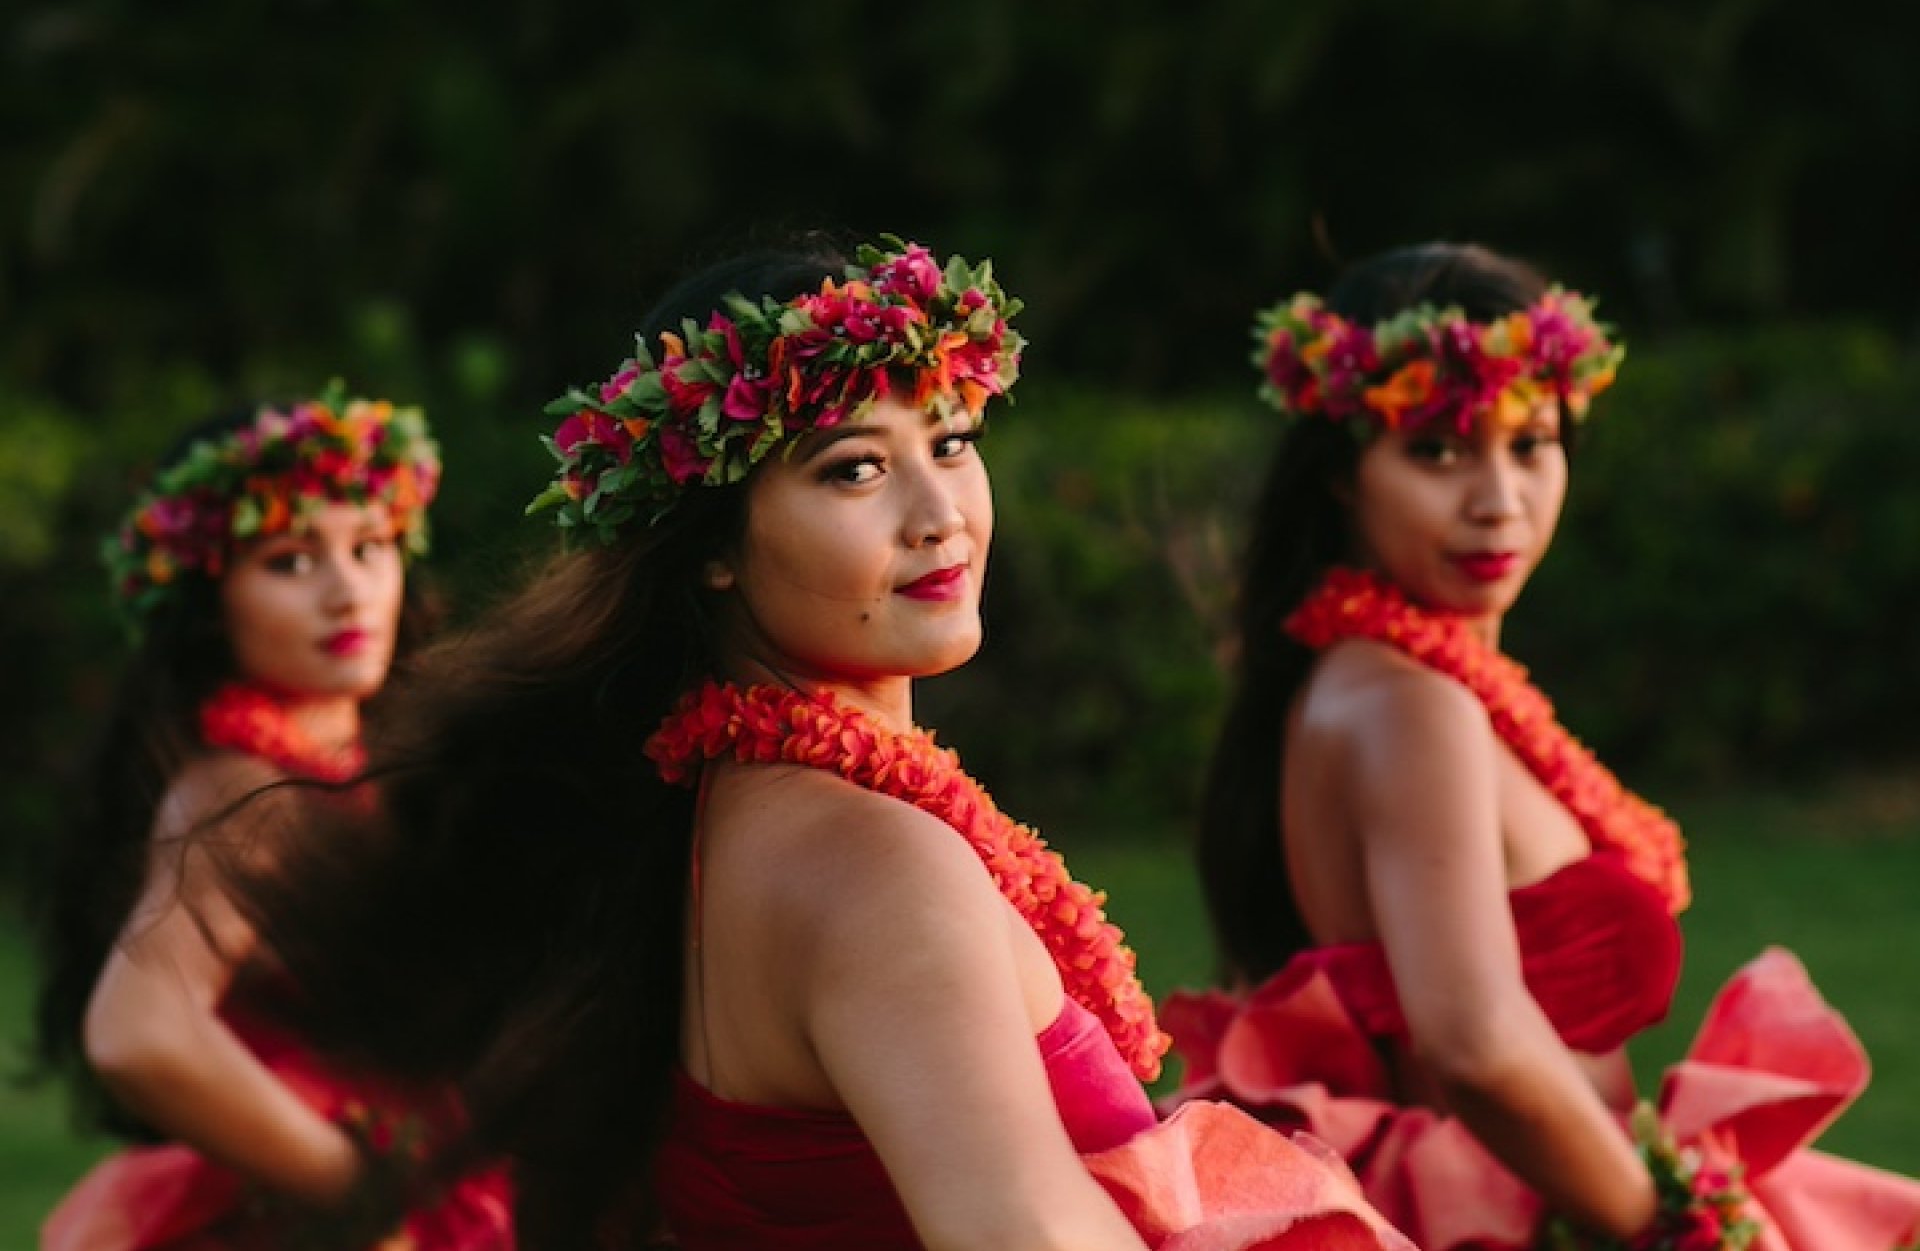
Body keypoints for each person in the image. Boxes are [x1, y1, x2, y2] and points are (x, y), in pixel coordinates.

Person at [203, 238, 1414, 1251]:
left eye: (949, 440)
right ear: (714, 542)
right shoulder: (871, 864)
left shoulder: (712, 811)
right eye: (853, 470)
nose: (939, 513)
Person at [1168, 242, 1920, 1250]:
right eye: (1437, 450)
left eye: (1532, 442)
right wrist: (1675, 1225)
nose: (1498, 499)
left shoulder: (1382, 680)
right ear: (1343, 474)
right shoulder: (1409, 704)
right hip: (1510, 1211)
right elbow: (1473, 1042)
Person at [34, 388, 514, 1250]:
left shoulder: (356, 767)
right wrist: (361, 1187)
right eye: (291, 560)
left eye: (370, 547)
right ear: (209, 600)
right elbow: (139, 1032)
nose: (347, 592)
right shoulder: (245, 792)